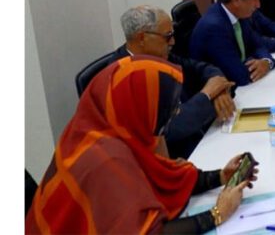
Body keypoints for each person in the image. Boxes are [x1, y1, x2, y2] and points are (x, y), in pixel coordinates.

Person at [26, 56, 259, 234]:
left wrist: (219, 177)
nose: (176, 112)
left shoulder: (114, 129)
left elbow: (161, 177)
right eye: (168, 107)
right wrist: (217, 214)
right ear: (137, 104)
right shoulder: (105, 159)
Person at [107, 5, 236, 158]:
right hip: (175, 155)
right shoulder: (124, 79)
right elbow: (169, 130)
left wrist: (218, 88)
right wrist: (207, 94)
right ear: (142, 38)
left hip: (200, 136)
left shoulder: (159, 55)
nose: (173, 42)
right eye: (167, 36)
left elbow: (201, 68)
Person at [191, 0, 275, 86]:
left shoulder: (239, 13)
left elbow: (257, 45)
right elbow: (239, 76)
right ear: (236, 0)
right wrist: (259, 64)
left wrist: (266, 62)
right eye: (255, 0)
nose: (258, 5)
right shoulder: (214, 28)